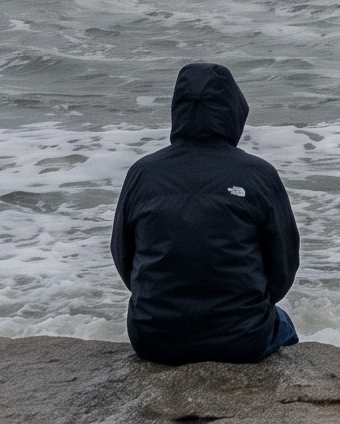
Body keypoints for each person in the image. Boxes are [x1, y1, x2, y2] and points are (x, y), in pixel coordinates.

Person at [109, 62, 301, 364]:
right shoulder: (259, 175)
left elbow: (123, 255)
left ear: (178, 110)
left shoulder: (142, 174)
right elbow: (284, 266)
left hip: (154, 338)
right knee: (284, 323)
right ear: (233, 111)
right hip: (242, 339)